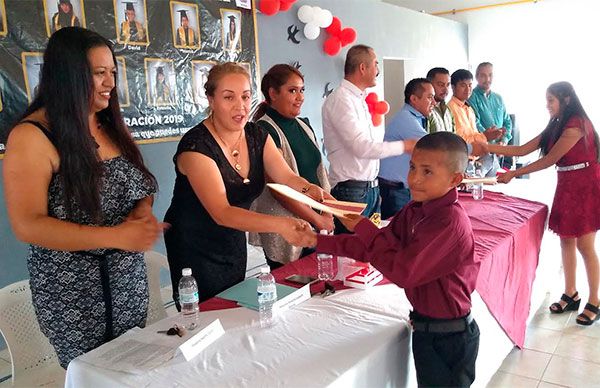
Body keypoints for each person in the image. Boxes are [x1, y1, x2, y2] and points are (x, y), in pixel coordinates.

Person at [3, 27, 161, 368]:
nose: (110, 83)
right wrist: (117, 236)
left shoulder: (108, 124)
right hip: (74, 296)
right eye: (99, 73)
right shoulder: (32, 136)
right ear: (69, 75)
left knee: (134, 370)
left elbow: (140, 186)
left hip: (127, 285)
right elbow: (27, 224)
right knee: (93, 375)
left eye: (113, 73)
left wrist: (141, 214)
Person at [307, 132, 480, 387]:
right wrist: (315, 241)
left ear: (455, 179)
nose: (414, 179)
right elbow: (375, 247)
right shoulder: (414, 210)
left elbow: (402, 271)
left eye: (427, 172)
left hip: (450, 337)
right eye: (412, 167)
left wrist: (364, 228)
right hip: (425, 328)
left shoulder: (449, 222)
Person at [163, 62, 327, 305]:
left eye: (245, 96)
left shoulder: (256, 135)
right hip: (194, 244)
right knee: (206, 313)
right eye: (229, 97)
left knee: (234, 305)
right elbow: (222, 212)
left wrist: (311, 190)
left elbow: (286, 176)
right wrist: (281, 225)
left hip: (232, 237)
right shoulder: (196, 146)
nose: (240, 106)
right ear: (211, 99)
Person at [477, 81, 600, 326]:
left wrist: (513, 174)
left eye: (551, 100)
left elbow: (549, 159)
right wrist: (485, 147)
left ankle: (595, 300)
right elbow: (523, 150)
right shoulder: (557, 124)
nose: (547, 105)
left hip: (585, 185)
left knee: (585, 245)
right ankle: (571, 293)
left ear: (565, 100)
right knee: (566, 239)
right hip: (567, 182)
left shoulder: (576, 124)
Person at [322, 44, 416, 233]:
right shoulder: (341, 100)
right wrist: (404, 146)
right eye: (375, 64)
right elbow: (362, 148)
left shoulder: (358, 99)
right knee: (353, 253)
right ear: (362, 68)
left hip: (369, 188)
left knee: (371, 247)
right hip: (351, 190)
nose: (378, 70)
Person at [249, 64, 333, 270]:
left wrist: (326, 211)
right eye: (292, 90)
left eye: (302, 90)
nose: (300, 97)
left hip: (315, 220)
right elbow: (280, 190)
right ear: (273, 94)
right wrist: (315, 219)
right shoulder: (264, 130)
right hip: (287, 226)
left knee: (321, 285)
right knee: (293, 291)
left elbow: (315, 175)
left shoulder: (303, 124)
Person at [378, 78, 435, 218]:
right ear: (414, 99)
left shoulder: (417, 118)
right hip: (394, 190)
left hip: (403, 188)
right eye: (429, 97)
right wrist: (471, 148)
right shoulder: (406, 119)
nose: (434, 102)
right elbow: (434, 146)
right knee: (397, 234)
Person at [447, 69, 503, 177]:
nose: (467, 89)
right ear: (453, 88)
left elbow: (473, 135)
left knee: (492, 160)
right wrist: (485, 136)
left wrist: (487, 136)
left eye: (470, 85)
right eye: (463, 85)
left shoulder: (468, 109)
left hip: (476, 159)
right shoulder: (451, 109)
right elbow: (460, 142)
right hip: (463, 160)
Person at [469, 62, 512, 145]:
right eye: (483, 75)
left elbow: (507, 121)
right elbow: (475, 123)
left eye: (490, 75)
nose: (487, 79)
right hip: (483, 148)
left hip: (501, 148)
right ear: (477, 77)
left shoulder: (498, 98)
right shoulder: (471, 97)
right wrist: (491, 140)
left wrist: (504, 140)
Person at [426, 67, 455, 133]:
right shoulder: (426, 110)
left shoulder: (448, 109)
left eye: (448, 85)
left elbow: (454, 137)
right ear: (429, 85)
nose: (446, 90)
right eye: (441, 85)